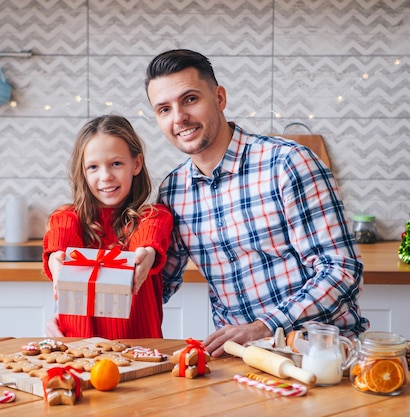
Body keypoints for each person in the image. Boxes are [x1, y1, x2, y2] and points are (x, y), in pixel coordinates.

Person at [145, 49, 369, 357]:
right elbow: (156, 289)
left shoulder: (288, 163)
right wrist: (76, 318)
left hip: (322, 357)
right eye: (164, 109)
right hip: (241, 361)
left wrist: (265, 326)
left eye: (190, 99)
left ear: (219, 98)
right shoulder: (174, 191)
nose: (179, 117)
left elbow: (342, 271)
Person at [42, 114, 173, 339]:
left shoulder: (152, 216)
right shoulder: (69, 217)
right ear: (83, 172)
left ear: (136, 164)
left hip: (139, 351)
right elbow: (61, 237)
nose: (106, 176)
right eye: (93, 167)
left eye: (116, 164)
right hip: (78, 353)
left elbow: (149, 238)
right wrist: (57, 259)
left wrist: (147, 254)